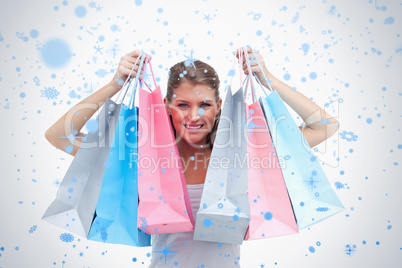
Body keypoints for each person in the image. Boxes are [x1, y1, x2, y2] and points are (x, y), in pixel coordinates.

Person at [45, 47, 339, 267]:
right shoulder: (142, 157)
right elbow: (58, 135)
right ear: (165, 105)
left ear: (220, 105)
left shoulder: (245, 153)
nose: (194, 116)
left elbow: (325, 126)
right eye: (183, 104)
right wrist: (115, 85)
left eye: (205, 104)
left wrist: (268, 79)